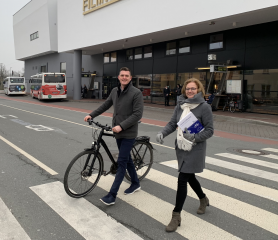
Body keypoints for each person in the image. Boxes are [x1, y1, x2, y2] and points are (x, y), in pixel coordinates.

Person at [156, 78, 214, 232]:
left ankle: (176, 216)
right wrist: (162, 133)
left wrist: (195, 137)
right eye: (187, 89)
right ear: (184, 90)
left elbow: (210, 130)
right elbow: (172, 123)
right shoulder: (181, 106)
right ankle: (203, 198)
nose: (190, 91)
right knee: (190, 177)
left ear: (199, 90)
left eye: (193, 89)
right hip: (182, 147)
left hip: (195, 148)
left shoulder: (204, 107)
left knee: (183, 179)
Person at [84, 67, 144, 205]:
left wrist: (121, 126)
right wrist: (91, 114)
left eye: (126, 76)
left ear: (130, 78)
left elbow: (137, 114)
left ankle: (112, 195)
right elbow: (105, 105)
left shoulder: (136, 93)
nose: (124, 77)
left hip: (128, 132)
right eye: (122, 75)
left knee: (122, 162)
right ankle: (135, 183)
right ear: (118, 77)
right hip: (117, 132)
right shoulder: (115, 91)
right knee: (127, 158)